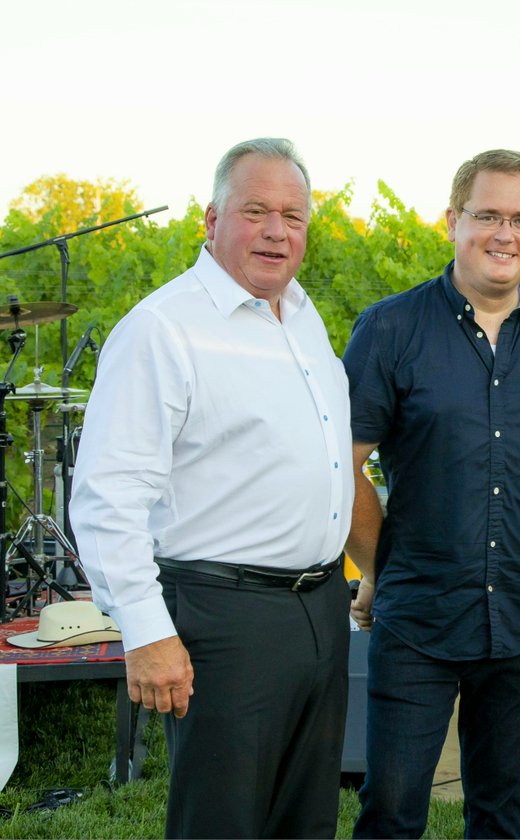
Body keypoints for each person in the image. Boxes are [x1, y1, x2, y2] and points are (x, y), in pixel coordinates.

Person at [70, 138, 353, 839]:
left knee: (305, 819)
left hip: (320, 605)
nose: (276, 230)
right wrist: (146, 632)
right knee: (221, 823)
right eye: (255, 210)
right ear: (210, 219)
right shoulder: (163, 330)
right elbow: (109, 492)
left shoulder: (303, 316)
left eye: (292, 215)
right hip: (225, 618)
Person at [342, 149, 520, 839]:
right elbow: (340, 465)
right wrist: (378, 569)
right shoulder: (391, 329)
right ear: (452, 220)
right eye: (487, 214)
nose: (504, 234)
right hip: (419, 614)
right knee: (393, 810)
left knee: (499, 812)